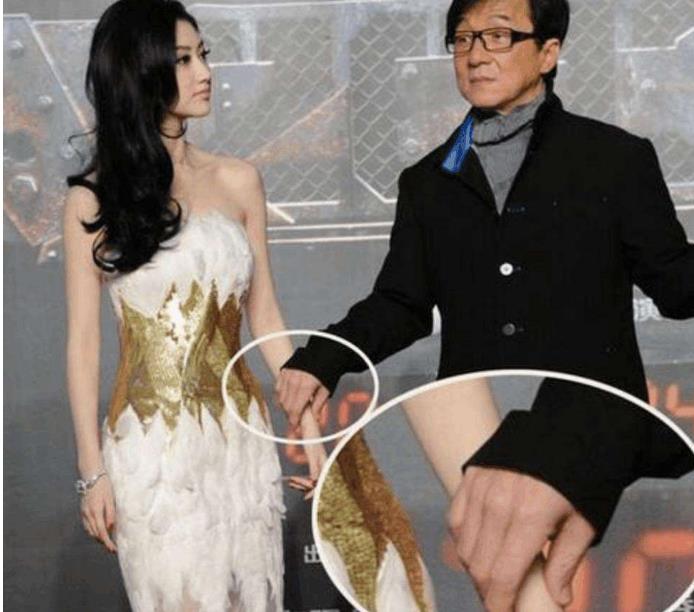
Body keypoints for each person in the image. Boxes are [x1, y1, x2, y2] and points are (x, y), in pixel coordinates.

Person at [276, 0, 694, 609]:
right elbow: (401, 303)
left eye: (498, 36)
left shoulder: (616, 158)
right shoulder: (427, 182)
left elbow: (677, 286)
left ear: (548, 52)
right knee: (506, 588)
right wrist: (323, 357)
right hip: (475, 424)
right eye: (464, 39)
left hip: (592, 424)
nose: (476, 54)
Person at [63, 1, 324, 610]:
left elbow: (267, 318)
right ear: (141, 71)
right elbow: (83, 345)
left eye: (203, 54)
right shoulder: (92, 201)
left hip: (240, 442)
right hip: (151, 451)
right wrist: (92, 472)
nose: (205, 72)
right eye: (183, 60)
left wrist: (309, 432)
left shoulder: (239, 180)